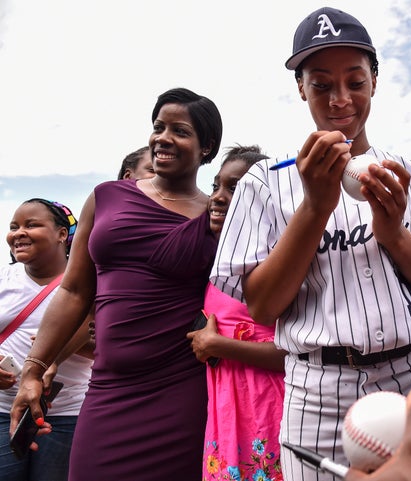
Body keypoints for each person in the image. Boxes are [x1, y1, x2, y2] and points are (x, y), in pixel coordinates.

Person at [210, 7, 411, 480]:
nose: (340, 99)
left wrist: (395, 234)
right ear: (301, 87)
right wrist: (315, 207)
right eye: (321, 84)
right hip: (318, 387)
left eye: (355, 81)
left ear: (374, 81)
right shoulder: (263, 182)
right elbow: (264, 307)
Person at [10, 87, 223, 481]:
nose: (163, 138)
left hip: (180, 388)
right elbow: (74, 291)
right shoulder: (107, 197)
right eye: (159, 127)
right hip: (108, 388)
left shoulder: (218, 215)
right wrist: (33, 371)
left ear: (206, 146)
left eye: (180, 130)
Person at [188, 144, 287, 481]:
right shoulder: (219, 265)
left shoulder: (277, 264)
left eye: (234, 188)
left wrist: (220, 346)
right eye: (216, 185)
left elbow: (300, 354)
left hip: (272, 409)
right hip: (228, 412)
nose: (217, 196)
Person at [0, 199, 92, 481]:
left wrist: (58, 348)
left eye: (32, 225)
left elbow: (110, 347)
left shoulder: (88, 285)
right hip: (3, 413)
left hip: (67, 414)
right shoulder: (4, 278)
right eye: (14, 227)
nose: (18, 233)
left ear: (62, 235)